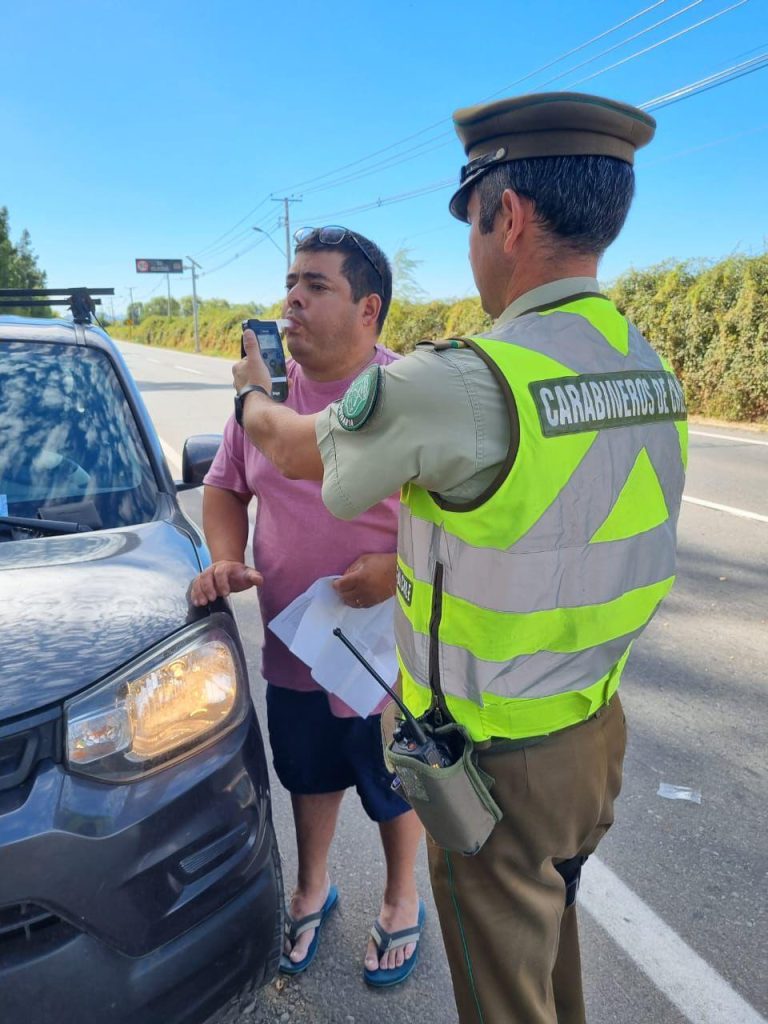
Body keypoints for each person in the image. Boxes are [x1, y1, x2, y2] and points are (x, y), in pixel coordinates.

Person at [231, 91, 688, 1024]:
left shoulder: (469, 379)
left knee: (503, 999)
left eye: (472, 224)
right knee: (550, 956)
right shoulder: (648, 366)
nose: (472, 251)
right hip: (595, 735)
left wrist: (249, 396)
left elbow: (297, 450)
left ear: (508, 217)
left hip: (499, 762)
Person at [190, 227, 426, 987]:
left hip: (386, 654)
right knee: (307, 774)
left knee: (397, 782)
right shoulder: (266, 397)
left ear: (368, 309)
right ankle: (313, 888)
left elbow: (465, 520)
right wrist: (227, 555)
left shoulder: (409, 395)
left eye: (316, 285)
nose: (292, 298)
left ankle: (400, 897)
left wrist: (397, 567)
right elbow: (226, 485)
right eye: (291, 282)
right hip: (295, 646)